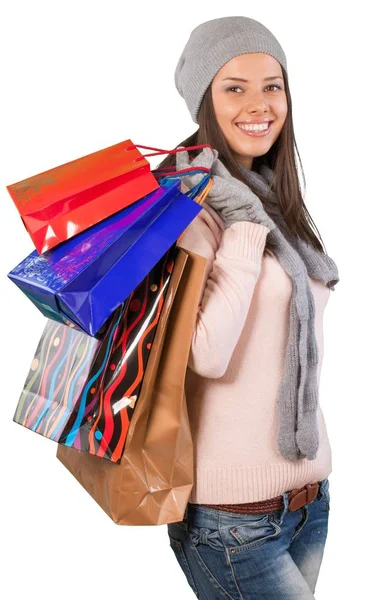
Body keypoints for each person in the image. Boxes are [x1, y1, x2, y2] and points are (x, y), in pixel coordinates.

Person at [157, 16, 339, 600]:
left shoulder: (271, 198)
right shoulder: (190, 205)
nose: (259, 104)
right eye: (234, 86)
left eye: (272, 85)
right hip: (231, 517)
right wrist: (239, 231)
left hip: (307, 503)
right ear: (204, 101)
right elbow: (205, 354)